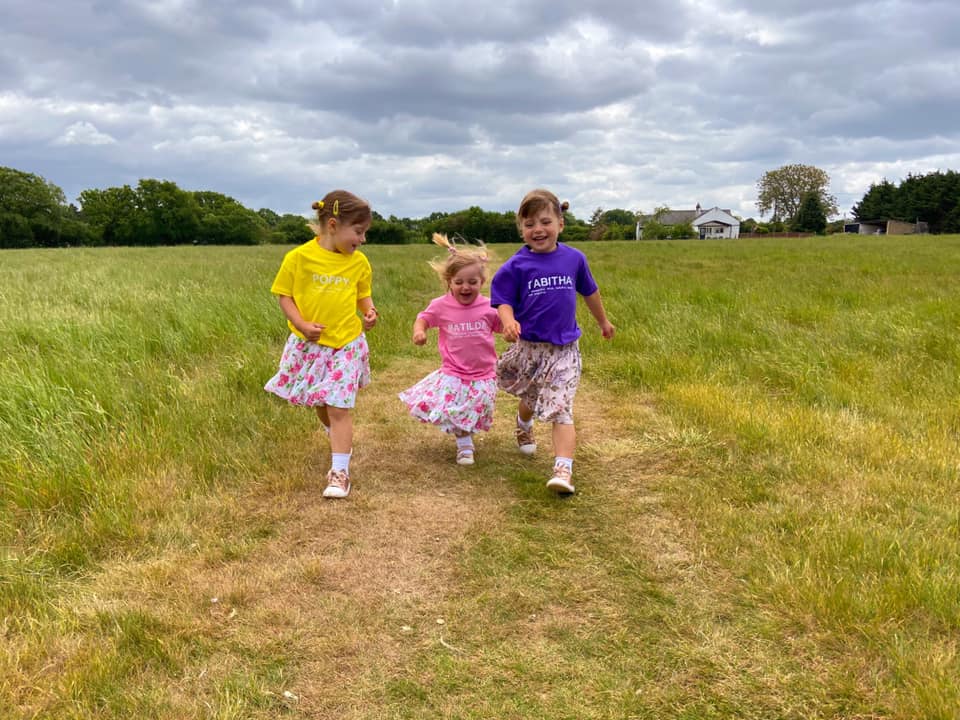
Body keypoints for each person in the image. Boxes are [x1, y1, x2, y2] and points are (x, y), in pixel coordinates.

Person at [491, 188, 615, 495]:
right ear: (521, 229)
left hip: (563, 351)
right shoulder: (516, 266)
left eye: (545, 221)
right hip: (529, 349)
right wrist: (508, 322)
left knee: (561, 408)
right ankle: (523, 427)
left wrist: (603, 321)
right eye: (529, 224)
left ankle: (563, 470)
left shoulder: (574, 259)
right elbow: (502, 300)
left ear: (560, 223)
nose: (538, 229)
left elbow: (590, 292)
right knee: (532, 398)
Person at [264, 190, 379, 499]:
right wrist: (301, 324)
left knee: (339, 405)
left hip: (346, 342)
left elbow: (361, 294)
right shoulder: (298, 258)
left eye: (364, 232)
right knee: (320, 401)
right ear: (332, 225)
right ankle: (336, 436)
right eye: (358, 231)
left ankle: (339, 472)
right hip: (310, 345)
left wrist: (368, 311)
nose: (362, 239)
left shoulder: (358, 263)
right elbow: (284, 295)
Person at [399, 233, 502, 466]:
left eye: (472, 283)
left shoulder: (488, 306)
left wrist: (510, 331)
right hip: (454, 370)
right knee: (458, 408)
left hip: (484, 372)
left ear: (481, 283)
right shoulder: (441, 305)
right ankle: (464, 445)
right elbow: (423, 318)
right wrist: (420, 331)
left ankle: (467, 436)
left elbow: (502, 325)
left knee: (478, 407)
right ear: (449, 282)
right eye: (459, 282)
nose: (465, 287)